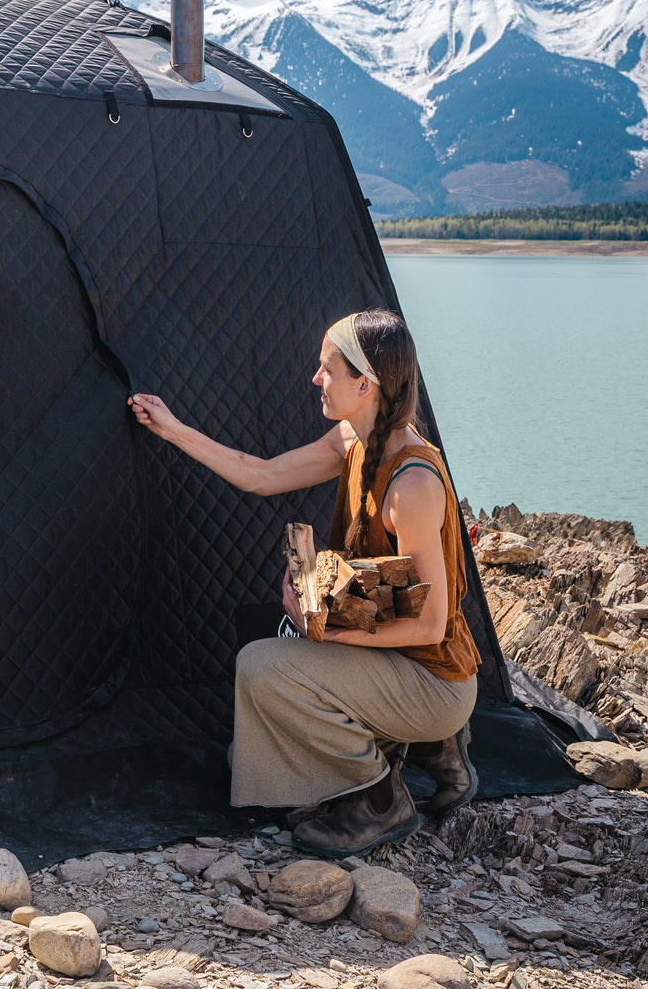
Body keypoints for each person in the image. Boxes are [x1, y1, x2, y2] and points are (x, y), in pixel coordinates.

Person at [128, 308, 479, 854]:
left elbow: (431, 623)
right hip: (398, 661)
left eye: (327, 370)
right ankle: (425, 749)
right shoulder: (353, 440)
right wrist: (173, 430)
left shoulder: (411, 484)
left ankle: (381, 798)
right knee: (264, 630)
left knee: (264, 667)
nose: (316, 379)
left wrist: (329, 631)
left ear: (365, 384)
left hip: (434, 677)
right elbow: (261, 475)